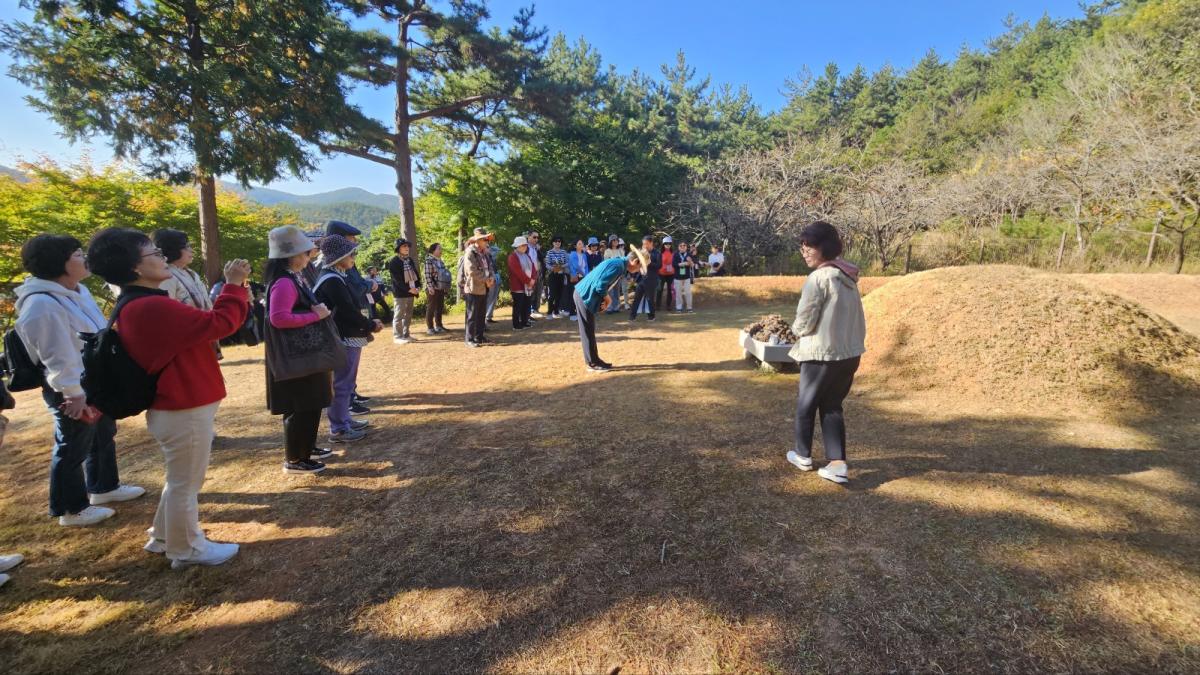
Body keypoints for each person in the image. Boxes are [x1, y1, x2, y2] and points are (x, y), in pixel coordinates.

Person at [86, 227, 249, 568]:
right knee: (185, 484)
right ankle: (187, 549)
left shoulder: (139, 303)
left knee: (180, 479)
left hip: (177, 406)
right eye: (154, 254)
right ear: (135, 267)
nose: (163, 259)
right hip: (182, 405)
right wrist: (234, 285)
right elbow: (221, 322)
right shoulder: (151, 307)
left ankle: (163, 536)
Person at [14, 235, 146, 528]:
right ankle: (71, 509)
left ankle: (104, 486)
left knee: (103, 435)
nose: (84, 258)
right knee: (72, 445)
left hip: (93, 379)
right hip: (70, 387)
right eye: (76, 254)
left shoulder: (77, 291)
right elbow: (56, 354)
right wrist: (73, 393)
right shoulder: (41, 304)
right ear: (57, 262)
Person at [784, 222, 867, 485]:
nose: (804, 252)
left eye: (809, 246)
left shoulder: (818, 278)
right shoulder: (848, 276)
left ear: (824, 248)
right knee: (832, 406)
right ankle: (837, 464)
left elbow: (805, 320)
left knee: (805, 405)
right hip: (849, 353)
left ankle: (802, 454)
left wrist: (794, 331)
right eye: (802, 246)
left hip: (821, 353)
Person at [262, 226, 337, 476]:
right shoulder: (284, 282)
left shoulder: (292, 276)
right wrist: (315, 315)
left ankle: (307, 447)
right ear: (291, 255)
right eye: (305, 252)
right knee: (299, 405)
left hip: (303, 354)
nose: (309, 256)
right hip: (296, 356)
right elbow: (279, 318)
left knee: (311, 402)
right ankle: (295, 459)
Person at [314, 235, 382, 443]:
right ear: (338, 257)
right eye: (350, 254)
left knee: (346, 382)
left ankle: (344, 420)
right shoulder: (332, 280)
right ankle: (339, 428)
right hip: (343, 337)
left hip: (346, 335)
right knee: (342, 383)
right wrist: (370, 324)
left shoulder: (335, 276)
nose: (354, 257)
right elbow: (348, 311)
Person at [574, 249, 646, 371]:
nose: (639, 270)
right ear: (635, 261)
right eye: (640, 266)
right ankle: (592, 363)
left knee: (590, 329)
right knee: (587, 330)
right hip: (584, 295)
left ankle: (595, 360)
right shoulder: (618, 266)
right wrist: (608, 300)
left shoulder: (620, 264)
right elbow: (600, 285)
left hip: (584, 294)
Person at [460, 232, 494, 347]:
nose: (487, 242)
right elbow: (471, 271)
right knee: (472, 315)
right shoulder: (470, 252)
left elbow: (490, 267)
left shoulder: (485, 253)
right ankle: (469, 339)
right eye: (485, 239)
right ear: (477, 240)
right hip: (473, 288)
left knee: (481, 314)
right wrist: (486, 279)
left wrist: (491, 278)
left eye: (487, 239)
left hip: (484, 287)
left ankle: (479, 337)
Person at [387, 238, 421, 344]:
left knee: (408, 314)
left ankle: (406, 335)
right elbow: (397, 280)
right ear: (398, 249)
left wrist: (418, 286)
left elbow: (415, 274)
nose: (407, 248)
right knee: (399, 315)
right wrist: (409, 289)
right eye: (404, 246)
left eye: (407, 246)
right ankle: (397, 336)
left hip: (412, 291)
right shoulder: (394, 262)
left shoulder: (409, 260)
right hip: (400, 293)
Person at [628, 235, 662, 322]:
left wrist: (649, 263)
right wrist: (633, 276)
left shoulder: (657, 253)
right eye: (643, 244)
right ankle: (632, 316)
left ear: (651, 243)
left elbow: (659, 266)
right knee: (637, 298)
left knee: (650, 299)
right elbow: (635, 264)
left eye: (646, 243)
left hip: (651, 279)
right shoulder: (642, 252)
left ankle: (651, 316)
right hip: (641, 278)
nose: (644, 245)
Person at [507, 236, 537, 329]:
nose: (525, 247)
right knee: (518, 306)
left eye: (525, 245)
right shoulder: (512, 257)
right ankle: (516, 324)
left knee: (527, 304)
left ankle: (525, 321)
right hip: (518, 286)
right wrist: (528, 281)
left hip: (528, 286)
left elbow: (533, 269)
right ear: (517, 246)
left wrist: (533, 279)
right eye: (523, 245)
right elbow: (518, 272)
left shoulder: (527, 256)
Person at [423, 243, 451, 334]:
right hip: (432, 288)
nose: (440, 250)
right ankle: (430, 328)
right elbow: (427, 275)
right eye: (439, 249)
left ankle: (439, 326)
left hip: (440, 287)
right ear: (433, 250)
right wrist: (430, 287)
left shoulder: (440, 261)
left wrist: (445, 287)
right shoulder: (429, 260)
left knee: (439, 307)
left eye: (441, 249)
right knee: (431, 308)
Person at [543, 236, 569, 318]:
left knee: (559, 294)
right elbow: (547, 264)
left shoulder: (564, 252)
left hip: (561, 275)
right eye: (556, 241)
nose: (558, 243)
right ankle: (549, 312)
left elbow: (568, 262)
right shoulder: (549, 252)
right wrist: (554, 268)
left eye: (559, 241)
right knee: (552, 294)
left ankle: (556, 311)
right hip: (553, 275)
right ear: (553, 243)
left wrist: (561, 267)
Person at [603, 236, 625, 314]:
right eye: (613, 240)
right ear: (610, 242)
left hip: (618, 273)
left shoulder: (621, 251)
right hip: (610, 274)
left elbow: (623, 261)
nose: (615, 242)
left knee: (617, 291)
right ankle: (609, 308)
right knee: (610, 291)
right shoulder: (607, 251)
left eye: (616, 240)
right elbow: (607, 262)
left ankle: (616, 307)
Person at [525, 231, 545, 318]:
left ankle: (535, 310)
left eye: (537, 237)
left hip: (538, 273)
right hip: (529, 274)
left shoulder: (536, 248)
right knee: (530, 293)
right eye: (534, 237)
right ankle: (529, 312)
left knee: (538, 292)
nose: (536, 239)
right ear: (528, 237)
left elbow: (541, 259)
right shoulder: (525, 247)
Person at [674, 240, 697, 313]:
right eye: (681, 245)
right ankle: (679, 308)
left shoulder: (689, 255)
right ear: (678, 247)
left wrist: (689, 261)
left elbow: (693, 265)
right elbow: (674, 264)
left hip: (687, 277)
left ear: (686, 247)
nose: (682, 247)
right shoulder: (675, 254)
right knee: (678, 293)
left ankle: (689, 308)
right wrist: (684, 263)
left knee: (688, 293)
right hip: (677, 277)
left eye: (684, 245)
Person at [657, 236, 676, 311]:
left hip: (671, 274)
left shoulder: (673, 253)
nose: (668, 245)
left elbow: (675, 263)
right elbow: (658, 263)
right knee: (659, 289)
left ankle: (668, 305)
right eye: (666, 243)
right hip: (661, 274)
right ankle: (658, 305)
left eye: (669, 243)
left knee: (670, 290)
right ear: (663, 244)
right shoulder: (660, 253)